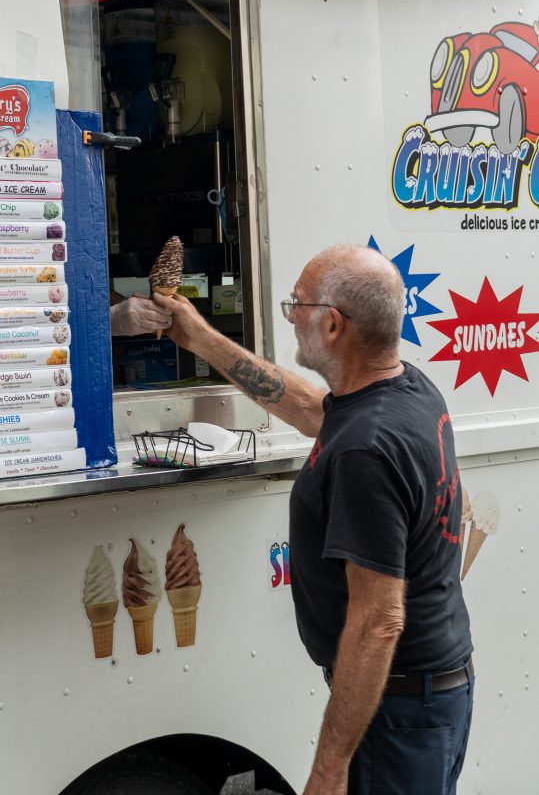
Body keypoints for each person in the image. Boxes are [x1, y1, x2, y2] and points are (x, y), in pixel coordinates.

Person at [154, 244, 473, 795]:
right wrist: (201, 338)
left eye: (295, 305)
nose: (289, 316)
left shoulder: (365, 450)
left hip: (398, 713)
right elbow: (307, 406)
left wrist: (329, 769)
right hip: (420, 699)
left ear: (332, 325)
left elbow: (378, 622)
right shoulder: (403, 389)